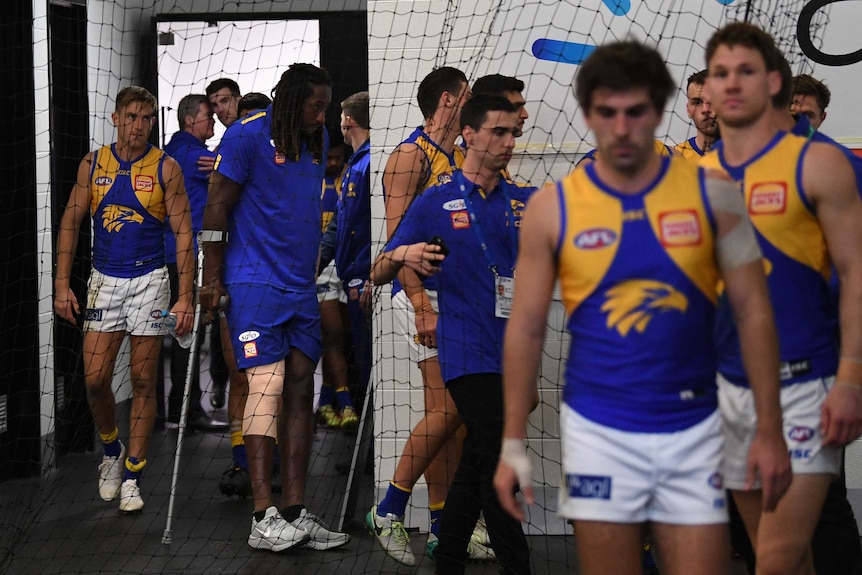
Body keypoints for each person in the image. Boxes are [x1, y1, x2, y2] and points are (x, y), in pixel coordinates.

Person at [494, 40, 792, 575]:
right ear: (588, 113)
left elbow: (754, 313)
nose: (623, 127)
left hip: (695, 426)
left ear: (659, 109)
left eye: (637, 112)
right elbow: (526, 327)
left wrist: (767, 427)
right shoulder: (552, 208)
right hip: (598, 430)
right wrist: (512, 437)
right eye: (608, 113)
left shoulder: (715, 193)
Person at [701, 22, 862, 575]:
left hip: (806, 385)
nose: (729, 85)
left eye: (743, 71)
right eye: (719, 74)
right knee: (784, 557)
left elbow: (857, 275)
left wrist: (850, 379)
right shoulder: (701, 174)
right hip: (729, 390)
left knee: (776, 556)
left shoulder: (820, 163)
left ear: (773, 81)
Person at [372, 93, 536, 575]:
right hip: (464, 350)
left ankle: (447, 560)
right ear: (469, 134)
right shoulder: (436, 200)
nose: (510, 142)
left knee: (477, 463)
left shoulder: (525, 201)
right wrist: (406, 259)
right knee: (499, 459)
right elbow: (379, 268)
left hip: (511, 349)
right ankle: (517, 565)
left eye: (513, 133)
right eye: (499, 132)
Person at [200, 63, 349, 552]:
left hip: (299, 285)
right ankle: (263, 517)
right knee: (268, 386)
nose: (323, 114)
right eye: (316, 105)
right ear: (289, 102)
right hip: (253, 282)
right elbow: (216, 207)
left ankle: (296, 511)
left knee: (303, 389)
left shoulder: (317, 138)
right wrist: (210, 276)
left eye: (326, 106)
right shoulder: (245, 137)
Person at [54, 86, 195, 513]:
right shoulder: (93, 163)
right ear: (116, 119)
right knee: (95, 378)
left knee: (143, 380)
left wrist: (185, 296)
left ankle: (133, 473)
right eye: (132, 116)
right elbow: (70, 222)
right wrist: (62, 284)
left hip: (151, 280)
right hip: (103, 280)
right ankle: (111, 451)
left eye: (147, 118)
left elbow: (185, 233)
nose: (139, 125)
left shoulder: (166, 168)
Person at [368, 66, 486, 567]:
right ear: (447, 100)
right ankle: (390, 508)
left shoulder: (460, 156)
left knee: (451, 419)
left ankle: (441, 525)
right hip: (421, 299)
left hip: (457, 298)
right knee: (449, 411)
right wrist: (418, 304)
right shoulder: (408, 157)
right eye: (469, 98)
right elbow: (398, 247)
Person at [162, 93, 225, 431]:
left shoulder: (172, 151)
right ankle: (186, 410)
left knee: (183, 330)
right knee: (190, 329)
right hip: (190, 254)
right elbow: (237, 180)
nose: (212, 122)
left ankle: (180, 407)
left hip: (172, 254)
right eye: (207, 117)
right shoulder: (196, 157)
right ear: (190, 120)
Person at [315, 127, 354, 429]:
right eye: (328, 158)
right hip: (312, 262)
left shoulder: (350, 178)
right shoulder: (310, 178)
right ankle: (341, 402)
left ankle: (327, 401)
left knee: (338, 338)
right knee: (330, 334)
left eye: (338, 158)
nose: (333, 163)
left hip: (341, 264)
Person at [674, 70, 719, 159]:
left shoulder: (751, 154)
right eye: (697, 102)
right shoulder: (677, 157)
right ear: (688, 110)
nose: (705, 109)